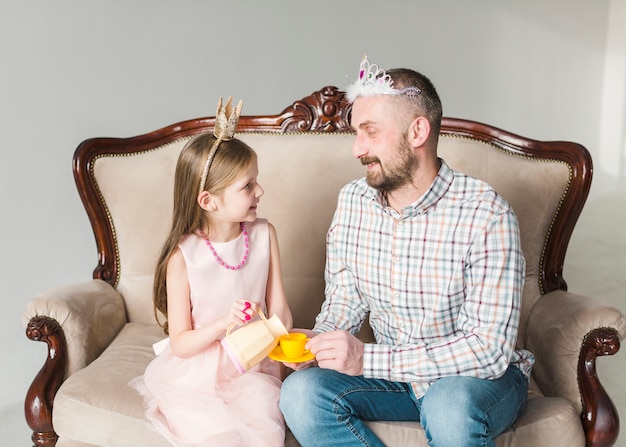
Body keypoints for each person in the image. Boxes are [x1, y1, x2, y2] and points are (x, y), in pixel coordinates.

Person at [279, 56, 534, 447]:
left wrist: (367, 360)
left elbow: (488, 349)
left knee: (447, 405)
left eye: (370, 132)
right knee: (300, 393)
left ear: (417, 132)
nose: (356, 149)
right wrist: (315, 343)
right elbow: (344, 304)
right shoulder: (353, 201)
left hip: (476, 381)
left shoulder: (486, 212)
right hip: (394, 379)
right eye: (355, 133)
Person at [130, 97, 292, 447]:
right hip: (199, 371)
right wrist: (223, 324)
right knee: (217, 437)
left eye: (256, 181)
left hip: (253, 362)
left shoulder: (265, 235)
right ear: (208, 201)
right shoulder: (184, 257)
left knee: (264, 432)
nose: (259, 191)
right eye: (247, 186)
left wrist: (280, 349)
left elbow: (280, 310)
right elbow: (181, 343)